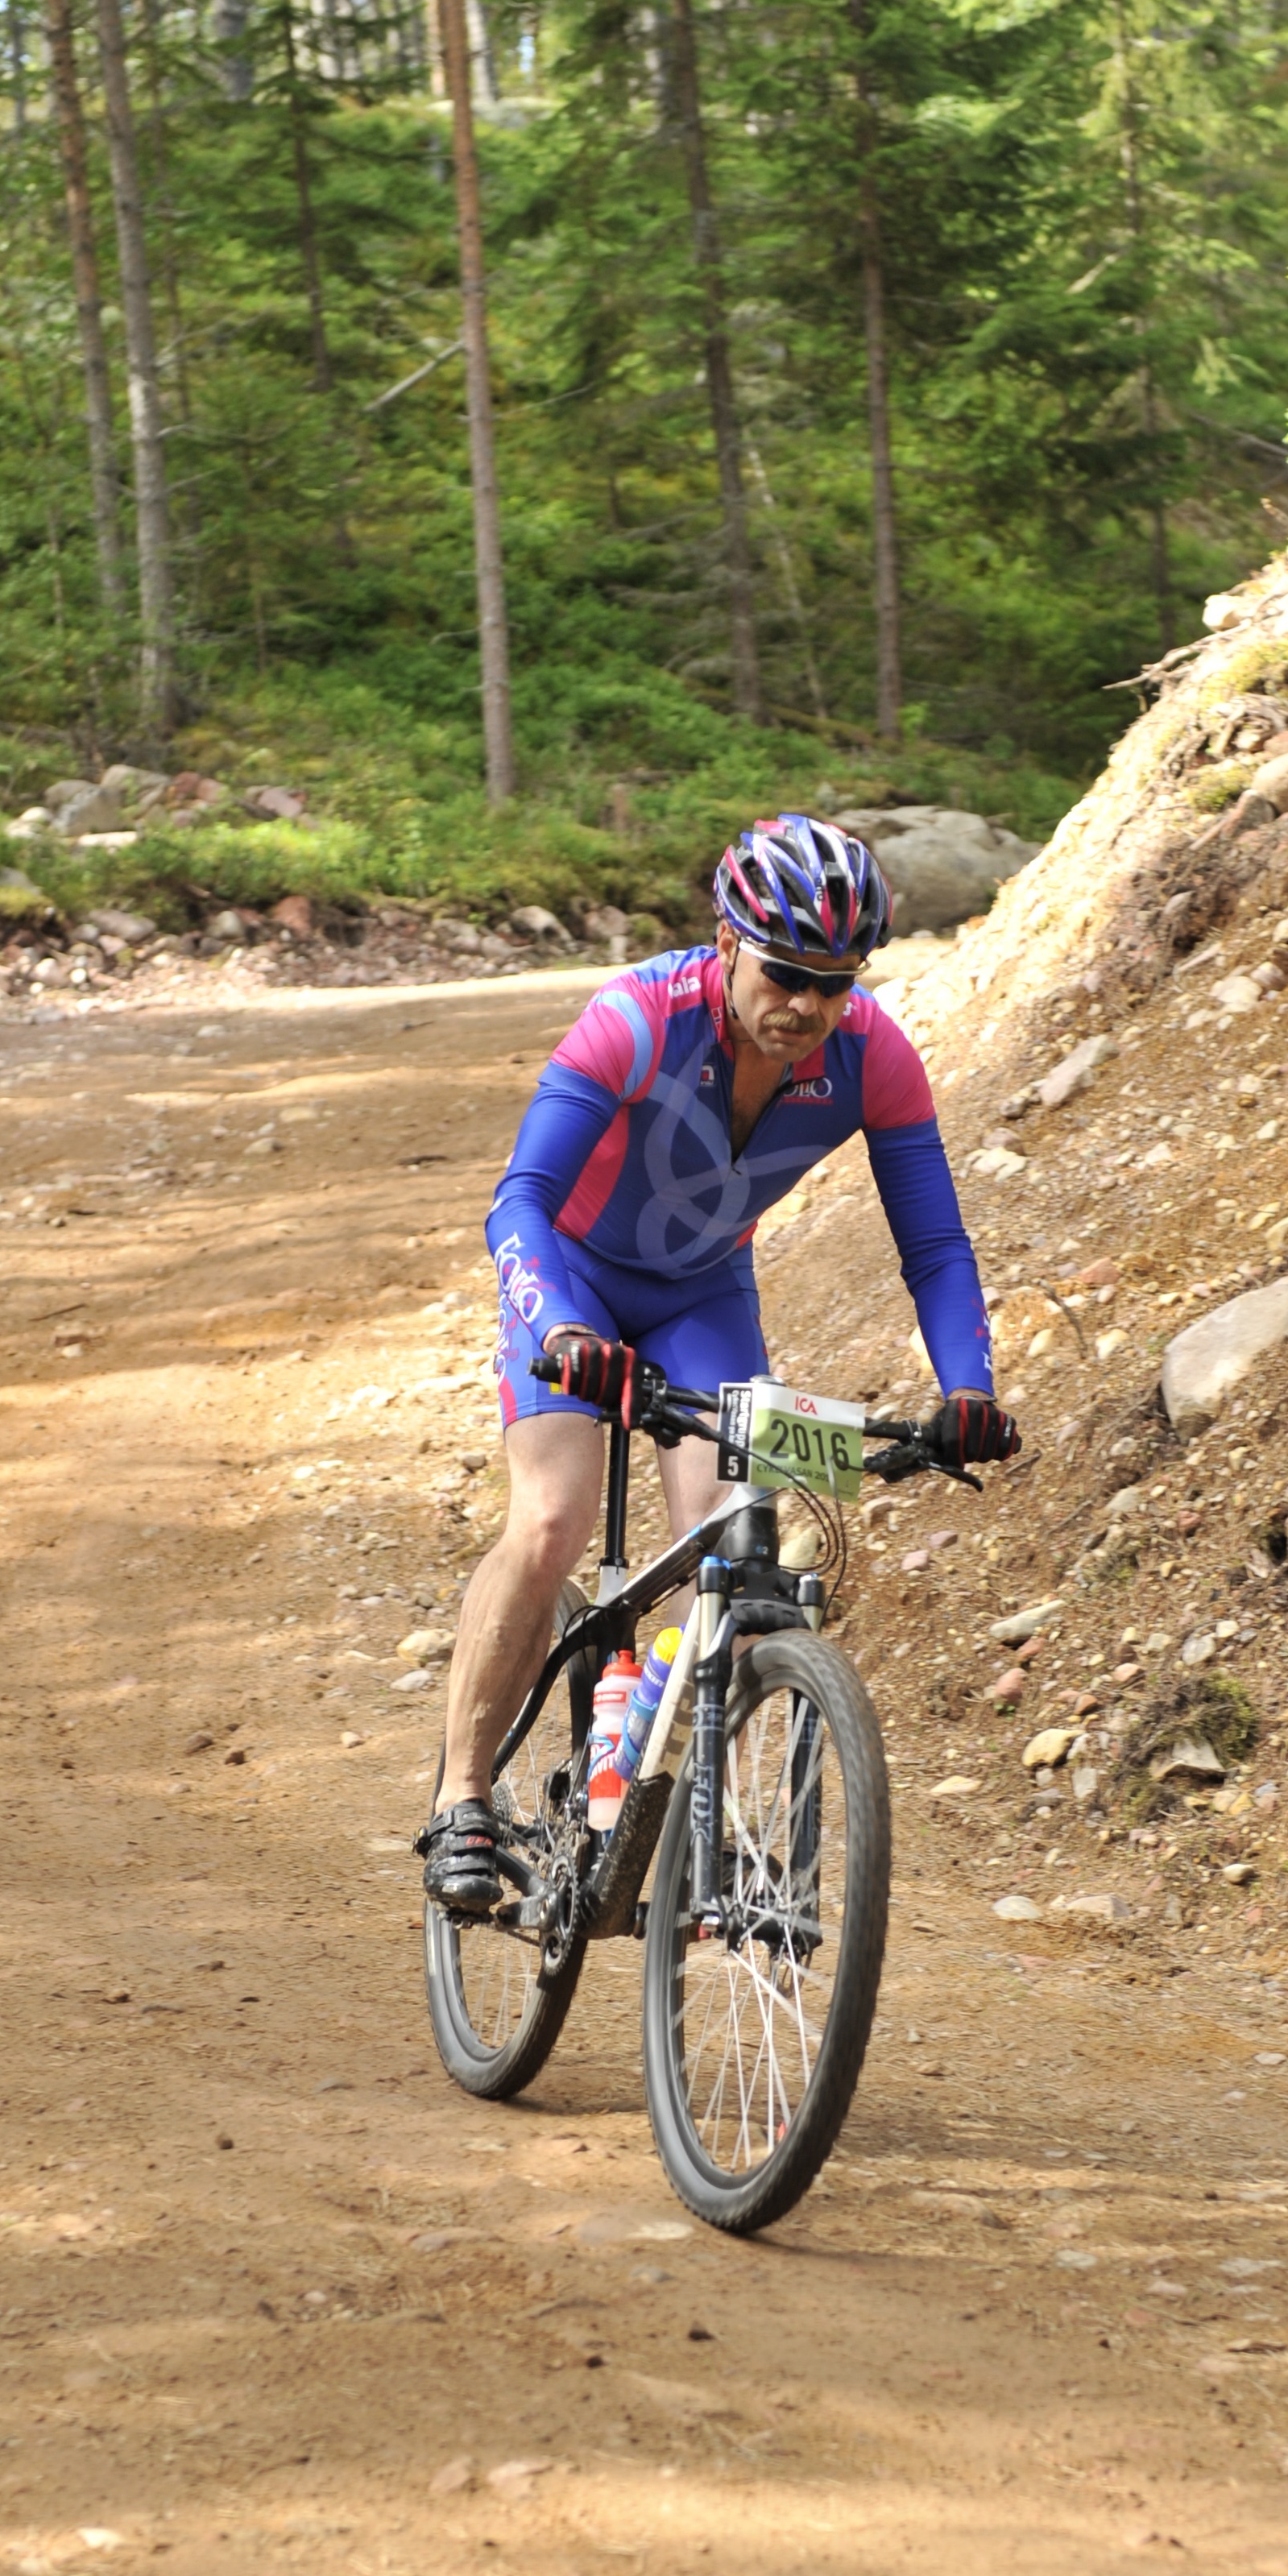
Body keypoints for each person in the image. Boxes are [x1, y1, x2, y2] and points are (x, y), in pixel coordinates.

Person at [420, 812, 1019, 1915]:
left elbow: (934, 1243)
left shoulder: (872, 1057)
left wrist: (967, 1387)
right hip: (573, 1287)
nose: (808, 1006)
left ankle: (698, 1813)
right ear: (730, 942)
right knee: (552, 1517)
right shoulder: (636, 1019)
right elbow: (521, 1202)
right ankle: (463, 1797)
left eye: (835, 984)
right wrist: (562, 1329)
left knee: (739, 1547)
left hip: (702, 1298)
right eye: (786, 973)